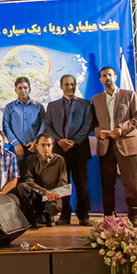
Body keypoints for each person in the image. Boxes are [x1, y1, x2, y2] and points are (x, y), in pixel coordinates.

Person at [92, 66, 137, 224]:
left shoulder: (129, 95)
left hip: (126, 143)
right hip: (105, 146)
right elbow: (93, 124)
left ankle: (135, 215)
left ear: (115, 76)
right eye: (104, 76)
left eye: (109, 75)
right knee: (107, 183)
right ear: (100, 79)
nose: (107, 78)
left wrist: (122, 129)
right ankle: (108, 216)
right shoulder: (96, 100)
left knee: (130, 183)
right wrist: (99, 132)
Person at [44, 74, 93, 226]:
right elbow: (48, 126)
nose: (70, 87)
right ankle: (64, 215)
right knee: (62, 184)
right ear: (61, 86)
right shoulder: (52, 106)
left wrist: (73, 141)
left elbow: (88, 125)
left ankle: (83, 215)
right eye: (67, 84)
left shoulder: (85, 104)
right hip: (59, 150)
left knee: (81, 184)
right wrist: (59, 141)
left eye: (72, 84)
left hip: (79, 149)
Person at [16, 134, 68, 228]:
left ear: (52, 146)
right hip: (37, 195)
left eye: (49, 145)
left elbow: (62, 182)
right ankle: (31, 218)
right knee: (22, 187)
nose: (46, 148)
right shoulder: (30, 160)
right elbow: (28, 180)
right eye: (43, 145)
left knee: (51, 215)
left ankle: (49, 217)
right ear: (37, 146)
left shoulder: (59, 160)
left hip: (52, 197)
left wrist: (54, 194)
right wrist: (44, 192)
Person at [2, 77, 45, 176]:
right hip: (16, 149)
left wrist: (36, 142)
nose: (23, 90)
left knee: (35, 175)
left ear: (30, 89)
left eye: (25, 88)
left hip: (34, 148)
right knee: (17, 176)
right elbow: (6, 126)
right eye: (20, 88)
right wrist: (16, 143)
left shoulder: (38, 107)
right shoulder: (10, 107)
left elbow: (43, 125)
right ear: (15, 90)